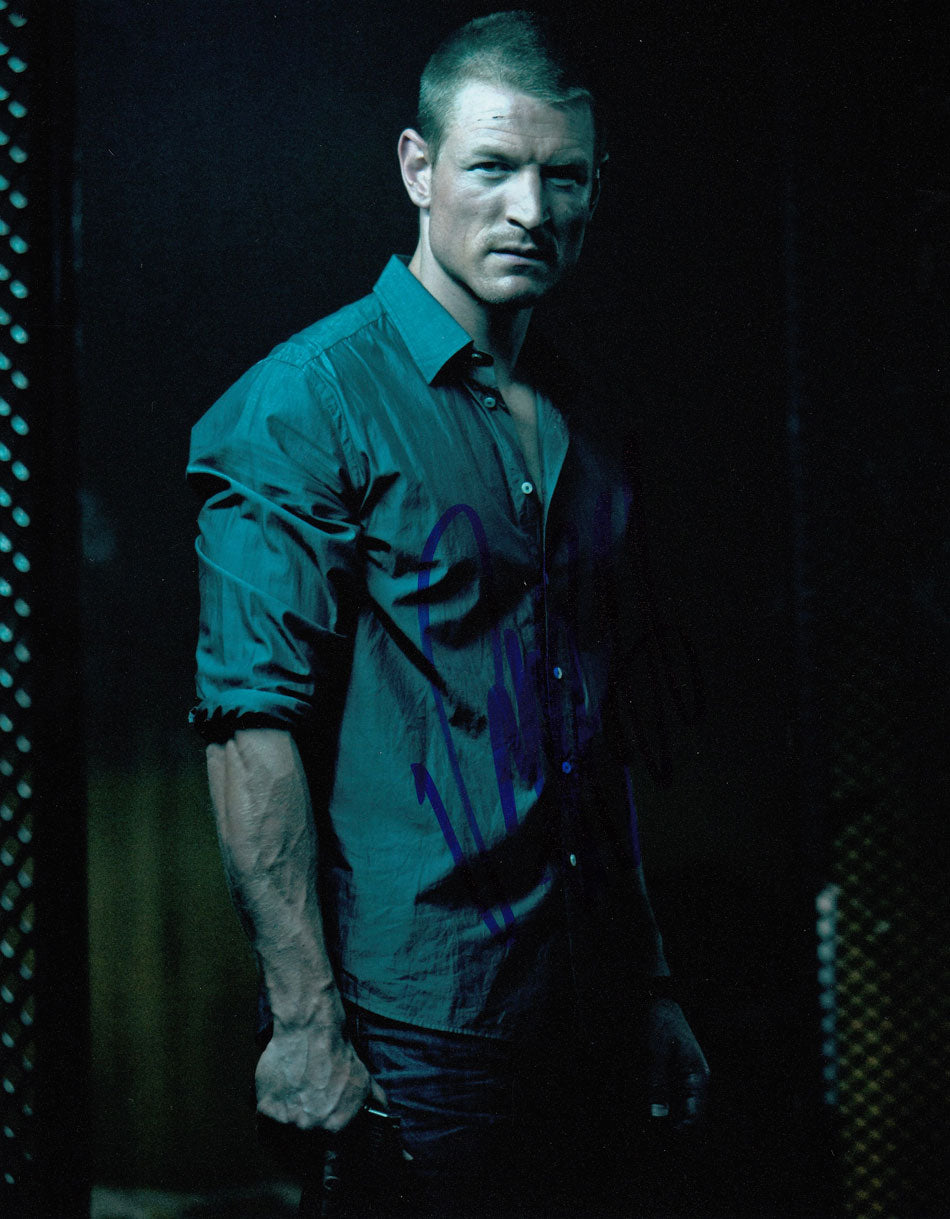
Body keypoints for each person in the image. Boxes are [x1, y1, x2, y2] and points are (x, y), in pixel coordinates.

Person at [188, 11, 709, 1216]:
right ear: (418, 169)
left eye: (563, 176)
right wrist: (305, 1022)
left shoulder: (589, 416)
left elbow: (593, 728)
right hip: (414, 1032)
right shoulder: (304, 403)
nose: (531, 208)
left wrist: (650, 986)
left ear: (595, 188)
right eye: (492, 167)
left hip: (588, 1014)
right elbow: (248, 725)